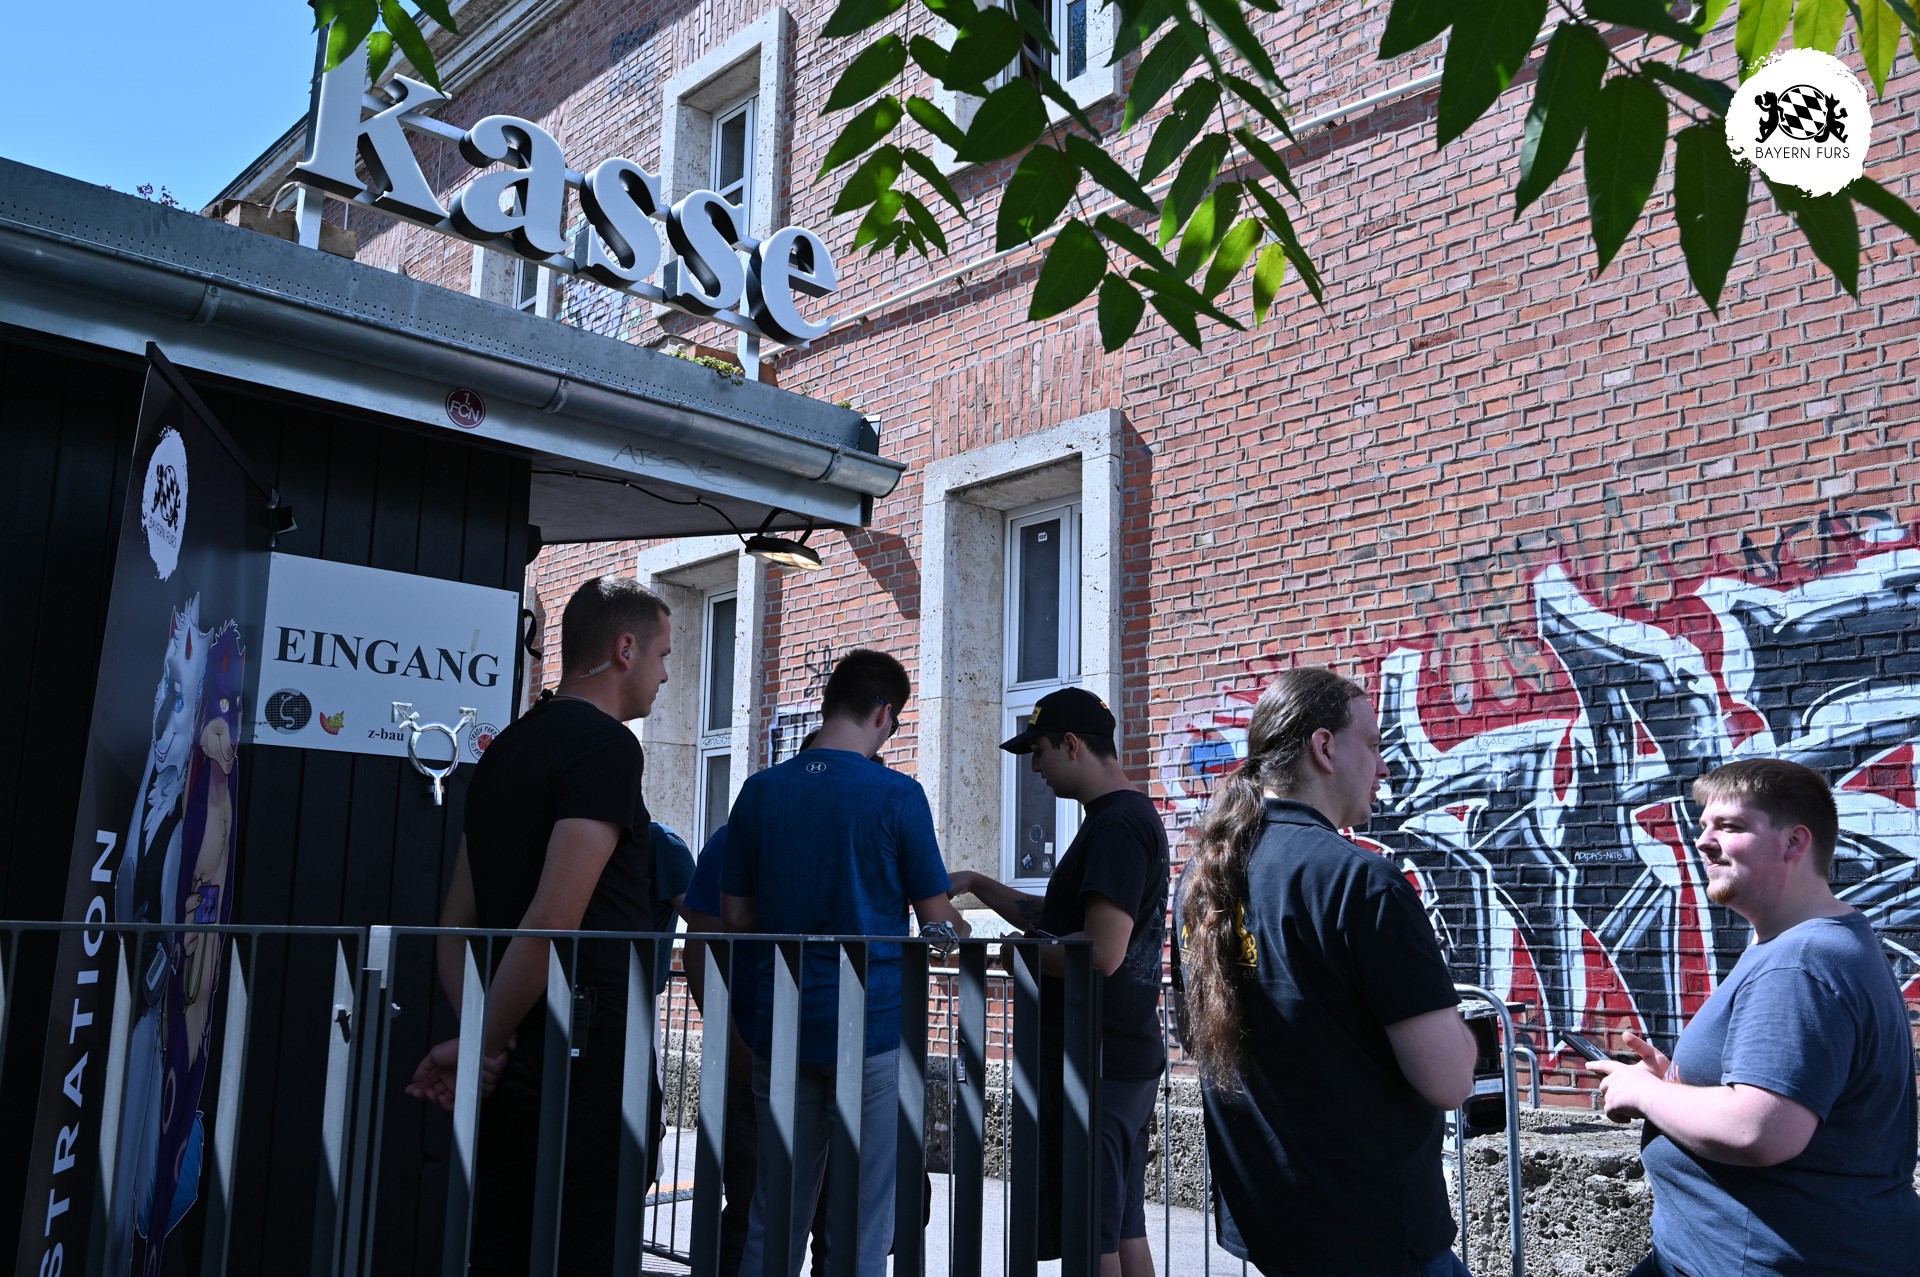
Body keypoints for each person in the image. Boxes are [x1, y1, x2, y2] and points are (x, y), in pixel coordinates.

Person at [405, 576, 672, 1276]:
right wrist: (480, 1045)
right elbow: (554, 918)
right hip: (587, 1047)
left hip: (515, 1058)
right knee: (586, 1248)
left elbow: (455, 926)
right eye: (663, 655)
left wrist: (485, 1040)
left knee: (502, 1245)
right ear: (625, 649)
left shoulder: (504, 749)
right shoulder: (609, 747)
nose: (666, 675)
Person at [1175, 667, 1477, 1277]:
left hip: (1271, 1230)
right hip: (1372, 1236)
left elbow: (1200, 1032)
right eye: (1373, 744)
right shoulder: (1362, 883)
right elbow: (1449, 1080)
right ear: (1324, 747)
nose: (1384, 767)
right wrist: (1467, 1039)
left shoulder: (1201, 879)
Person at [1590, 759, 1920, 1277]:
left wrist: (1646, 1094)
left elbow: (1760, 1130)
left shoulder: (1801, 962)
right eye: (1704, 825)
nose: (1703, 841)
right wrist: (1677, 1085)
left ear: (1794, 842)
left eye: (1730, 826)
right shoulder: (1809, 942)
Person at [720, 649, 970, 1277]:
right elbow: (938, 925)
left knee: (774, 1214)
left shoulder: (759, 792)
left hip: (781, 1024)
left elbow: (737, 917)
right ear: (884, 713)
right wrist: (958, 924)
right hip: (871, 1029)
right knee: (862, 1225)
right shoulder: (898, 795)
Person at [948, 686, 1169, 1277]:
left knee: (1090, 1237)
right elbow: (1059, 919)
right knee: (1119, 1227)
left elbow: (1100, 952)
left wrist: (1011, 955)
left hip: (1096, 1064)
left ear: (1072, 744)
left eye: (1039, 751)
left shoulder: (1116, 827)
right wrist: (977, 883)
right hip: (1117, 1056)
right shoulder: (1119, 819)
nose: (1035, 768)